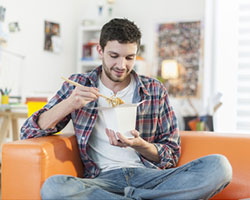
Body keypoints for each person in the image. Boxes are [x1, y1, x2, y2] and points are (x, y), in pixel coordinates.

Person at [21, 18, 232, 200]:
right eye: (114, 56)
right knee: (54, 187)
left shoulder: (154, 90)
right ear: (100, 51)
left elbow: (171, 154)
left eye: (129, 57)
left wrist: (140, 145)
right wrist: (69, 103)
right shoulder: (78, 84)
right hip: (102, 180)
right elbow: (28, 131)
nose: (121, 65)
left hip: (150, 178)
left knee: (219, 167)